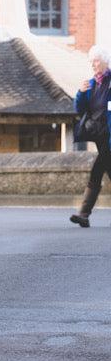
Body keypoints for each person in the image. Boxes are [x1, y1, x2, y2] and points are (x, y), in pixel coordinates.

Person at [70, 45, 111, 227]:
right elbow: (80, 109)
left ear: (105, 61)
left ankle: (84, 213)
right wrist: (80, 93)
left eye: (96, 61)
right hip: (98, 134)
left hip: (108, 135)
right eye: (91, 61)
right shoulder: (93, 83)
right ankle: (84, 214)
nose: (93, 65)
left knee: (97, 169)